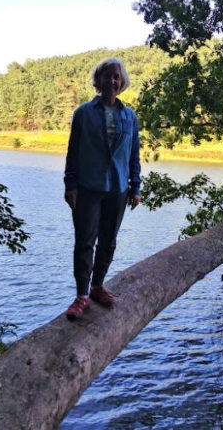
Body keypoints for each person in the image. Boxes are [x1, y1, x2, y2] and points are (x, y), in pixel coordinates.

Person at [63, 57, 142, 320]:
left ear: (122, 83)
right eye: (107, 76)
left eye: (117, 77)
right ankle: (81, 295)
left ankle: (97, 286)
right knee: (85, 242)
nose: (112, 81)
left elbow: (133, 155)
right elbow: (72, 153)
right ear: (98, 80)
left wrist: (136, 186)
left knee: (108, 241)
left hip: (118, 188)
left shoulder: (129, 117)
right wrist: (70, 184)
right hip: (87, 187)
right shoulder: (83, 113)